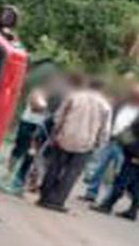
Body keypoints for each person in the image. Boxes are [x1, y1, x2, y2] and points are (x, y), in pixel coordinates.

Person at [37, 75, 111, 212]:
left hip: (65, 137)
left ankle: (44, 198)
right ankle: (57, 202)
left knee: (54, 168)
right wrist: (98, 144)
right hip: (86, 144)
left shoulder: (74, 96)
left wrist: (55, 133)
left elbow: (58, 116)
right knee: (71, 173)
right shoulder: (105, 105)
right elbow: (105, 129)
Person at [91, 93, 139, 220]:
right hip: (133, 152)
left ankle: (107, 205)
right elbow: (134, 131)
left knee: (122, 180)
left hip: (136, 154)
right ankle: (133, 210)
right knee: (135, 184)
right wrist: (122, 138)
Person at [81, 83, 139, 202]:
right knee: (99, 168)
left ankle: (108, 198)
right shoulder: (120, 105)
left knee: (118, 173)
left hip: (124, 145)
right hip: (111, 140)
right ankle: (91, 193)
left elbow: (138, 130)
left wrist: (128, 142)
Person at [7, 87, 48, 173]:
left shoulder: (45, 97)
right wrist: (43, 109)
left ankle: (20, 172)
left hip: (36, 124)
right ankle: (10, 169)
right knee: (20, 147)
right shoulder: (36, 93)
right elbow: (36, 107)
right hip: (28, 123)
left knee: (31, 150)